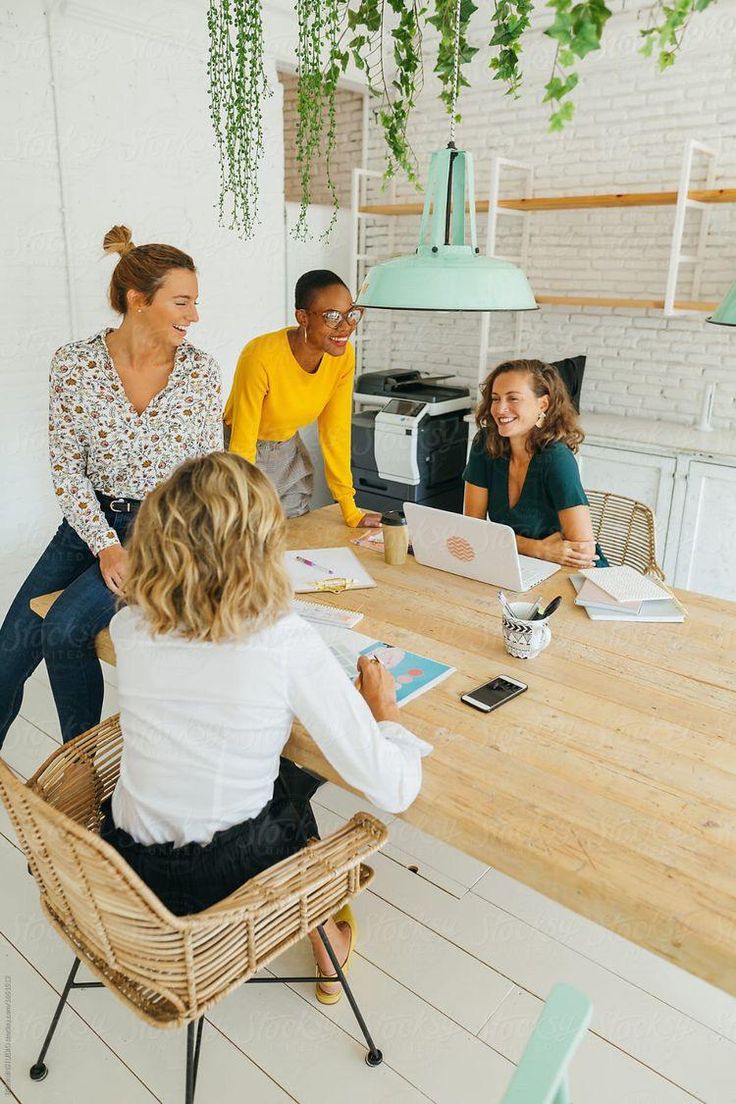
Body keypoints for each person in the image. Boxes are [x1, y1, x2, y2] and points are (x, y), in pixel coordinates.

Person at [102, 452, 430, 1002]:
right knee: (296, 786)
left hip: (125, 861)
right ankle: (329, 949)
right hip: (227, 880)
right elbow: (396, 788)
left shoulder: (130, 624)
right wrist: (385, 713)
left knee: (275, 770)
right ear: (260, 548)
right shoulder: (282, 639)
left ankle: (325, 940)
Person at [0, 225, 223, 749]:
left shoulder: (202, 373)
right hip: (88, 524)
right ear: (137, 300)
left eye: (194, 303)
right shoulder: (74, 365)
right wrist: (104, 544)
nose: (194, 316)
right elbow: (67, 470)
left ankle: (83, 776)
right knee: (9, 651)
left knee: (63, 629)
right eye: (182, 302)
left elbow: (208, 473)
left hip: (163, 529)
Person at [223, 269, 381, 528]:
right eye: (332, 317)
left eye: (351, 314)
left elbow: (336, 432)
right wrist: (240, 501)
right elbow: (243, 440)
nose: (345, 327)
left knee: (294, 534)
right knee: (248, 535)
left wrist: (350, 510)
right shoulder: (260, 356)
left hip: (288, 450)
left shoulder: (342, 357)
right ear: (303, 317)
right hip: (240, 453)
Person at [463, 359, 607, 569]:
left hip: (570, 574)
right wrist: (539, 549)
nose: (500, 409)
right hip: (518, 565)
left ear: (543, 404)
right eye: (495, 399)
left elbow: (583, 552)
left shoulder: (556, 458)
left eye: (513, 398)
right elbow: (473, 529)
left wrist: (503, 541)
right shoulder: (486, 443)